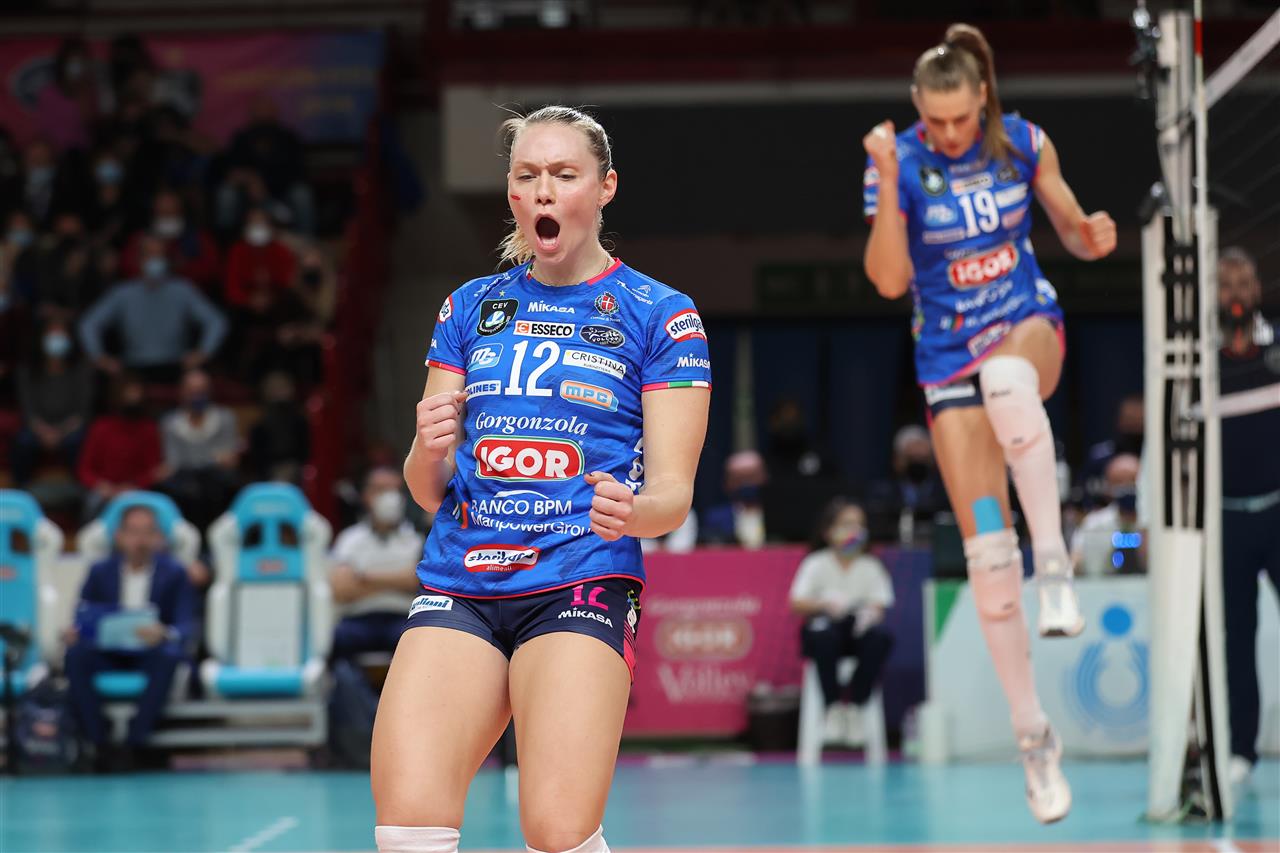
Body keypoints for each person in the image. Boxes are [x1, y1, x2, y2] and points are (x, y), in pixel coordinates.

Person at [371, 105, 711, 853]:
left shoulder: (662, 314)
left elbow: (672, 497)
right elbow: (427, 488)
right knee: (406, 824)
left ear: (605, 187)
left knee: (557, 830)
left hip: (578, 577)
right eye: (527, 176)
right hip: (462, 579)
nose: (544, 191)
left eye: (564, 174)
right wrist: (427, 450)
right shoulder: (469, 307)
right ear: (512, 194)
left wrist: (634, 509)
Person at [861, 23, 1116, 823]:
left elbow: (1071, 225)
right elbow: (889, 280)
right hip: (945, 356)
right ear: (917, 106)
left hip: (1025, 322)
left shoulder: (1023, 143)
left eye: (959, 118)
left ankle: (1056, 564)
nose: (947, 133)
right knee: (985, 552)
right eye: (932, 120)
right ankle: (1033, 735)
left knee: (1008, 382)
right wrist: (888, 175)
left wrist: (1090, 235)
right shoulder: (901, 162)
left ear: (982, 99)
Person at [1214, 248, 1280, 788]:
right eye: (1225, 284)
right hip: (1228, 522)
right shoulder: (1197, 362)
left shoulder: (1277, 349)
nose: (1235, 294)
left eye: (1243, 283)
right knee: (1237, 640)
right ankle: (1241, 750)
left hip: (1278, 512)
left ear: (1256, 291)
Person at [64, 503, 196, 771]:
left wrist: (165, 632)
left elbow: (186, 623)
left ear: (159, 537)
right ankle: (98, 741)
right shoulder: (100, 571)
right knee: (75, 656)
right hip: (107, 651)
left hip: (149, 651)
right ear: (119, 536)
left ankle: (135, 743)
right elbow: (83, 612)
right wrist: (77, 631)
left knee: (168, 657)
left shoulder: (175, 573)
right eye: (134, 532)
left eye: (148, 532)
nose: (141, 540)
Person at [788, 499, 895, 747]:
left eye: (859, 525)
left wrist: (869, 615)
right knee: (824, 635)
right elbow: (796, 602)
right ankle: (833, 709)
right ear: (828, 531)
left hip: (856, 633)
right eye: (846, 524)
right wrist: (824, 604)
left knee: (880, 638)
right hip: (825, 631)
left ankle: (856, 708)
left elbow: (880, 605)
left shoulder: (871, 566)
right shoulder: (816, 563)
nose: (853, 531)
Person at [78, 232, 227, 383]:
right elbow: (89, 323)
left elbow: (216, 321)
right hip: (133, 368)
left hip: (176, 366)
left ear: (166, 258)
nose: (154, 259)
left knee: (197, 381)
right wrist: (99, 357)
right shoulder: (123, 293)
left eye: (159, 255)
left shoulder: (183, 290)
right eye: (149, 254)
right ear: (139, 259)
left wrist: (203, 352)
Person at [329, 466, 425, 662]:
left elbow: (419, 583)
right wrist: (400, 580)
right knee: (338, 641)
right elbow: (341, 589)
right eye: (381, 490)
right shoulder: (350, 539)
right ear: (366, 495)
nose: (390, 497)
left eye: (394, 490)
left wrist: (363, 577)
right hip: (359, 619)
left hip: (403, 618)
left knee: (417, 643)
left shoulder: (417, 539)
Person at [156, 368, 241, 532]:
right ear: (182, 393)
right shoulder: (170, 422)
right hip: (185, 480)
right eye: (192, 391)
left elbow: (229, 458)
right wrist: (211, 458)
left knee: (219, 485)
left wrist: (206, 460)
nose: (197, 396)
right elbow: (173, 461)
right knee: (179, 488)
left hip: (217, 480)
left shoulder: (225, 418)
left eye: (201, 391)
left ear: (209, 392)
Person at [11, 318, 93, 485]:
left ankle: (80, 489)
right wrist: (44, 432)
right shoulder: (27, 370)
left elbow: (83, 411)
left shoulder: (82, 370)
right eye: (52, 333)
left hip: (70, 427)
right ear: (41, 337)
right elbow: (28, 409)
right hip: (38, 427)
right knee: (22, 442)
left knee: (78, 442)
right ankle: (21, 487)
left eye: (61, 333)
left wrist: (60, 433)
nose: (56, 338)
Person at [77, 373, 163, 519]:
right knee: (92, 503)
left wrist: (133, 486)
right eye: (127, 393)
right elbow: (84, 469)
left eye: (136, 394)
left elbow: (153, 470)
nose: (131, 398)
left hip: (136, 490)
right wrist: (101, 486)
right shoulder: (101, 427)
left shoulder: (148, 429)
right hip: (103, 490)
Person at [120, 189, 221, 296]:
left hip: (187, 297)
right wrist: (147, 267)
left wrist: (182, 268)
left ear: (181, 208)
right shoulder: (139, 238)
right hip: (145, 295)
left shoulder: (200, 238)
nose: (166, 212)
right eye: (161, 209)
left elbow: (212, 270)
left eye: (171, 208)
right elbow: (127, 267)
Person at [867, 424, 948, 544]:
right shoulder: (883, 493)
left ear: (932, 459)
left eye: (923, 459)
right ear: (898, 460)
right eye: (912, 459)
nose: (918, 465)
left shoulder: (946, 495)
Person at [1069, 453, 1144, 577]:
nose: (1126, 487)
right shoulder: (1093, 525)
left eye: (1133, 480)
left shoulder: (1157, 526)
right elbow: (1074, 563)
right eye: (1119, 482)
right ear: (1108, 487)